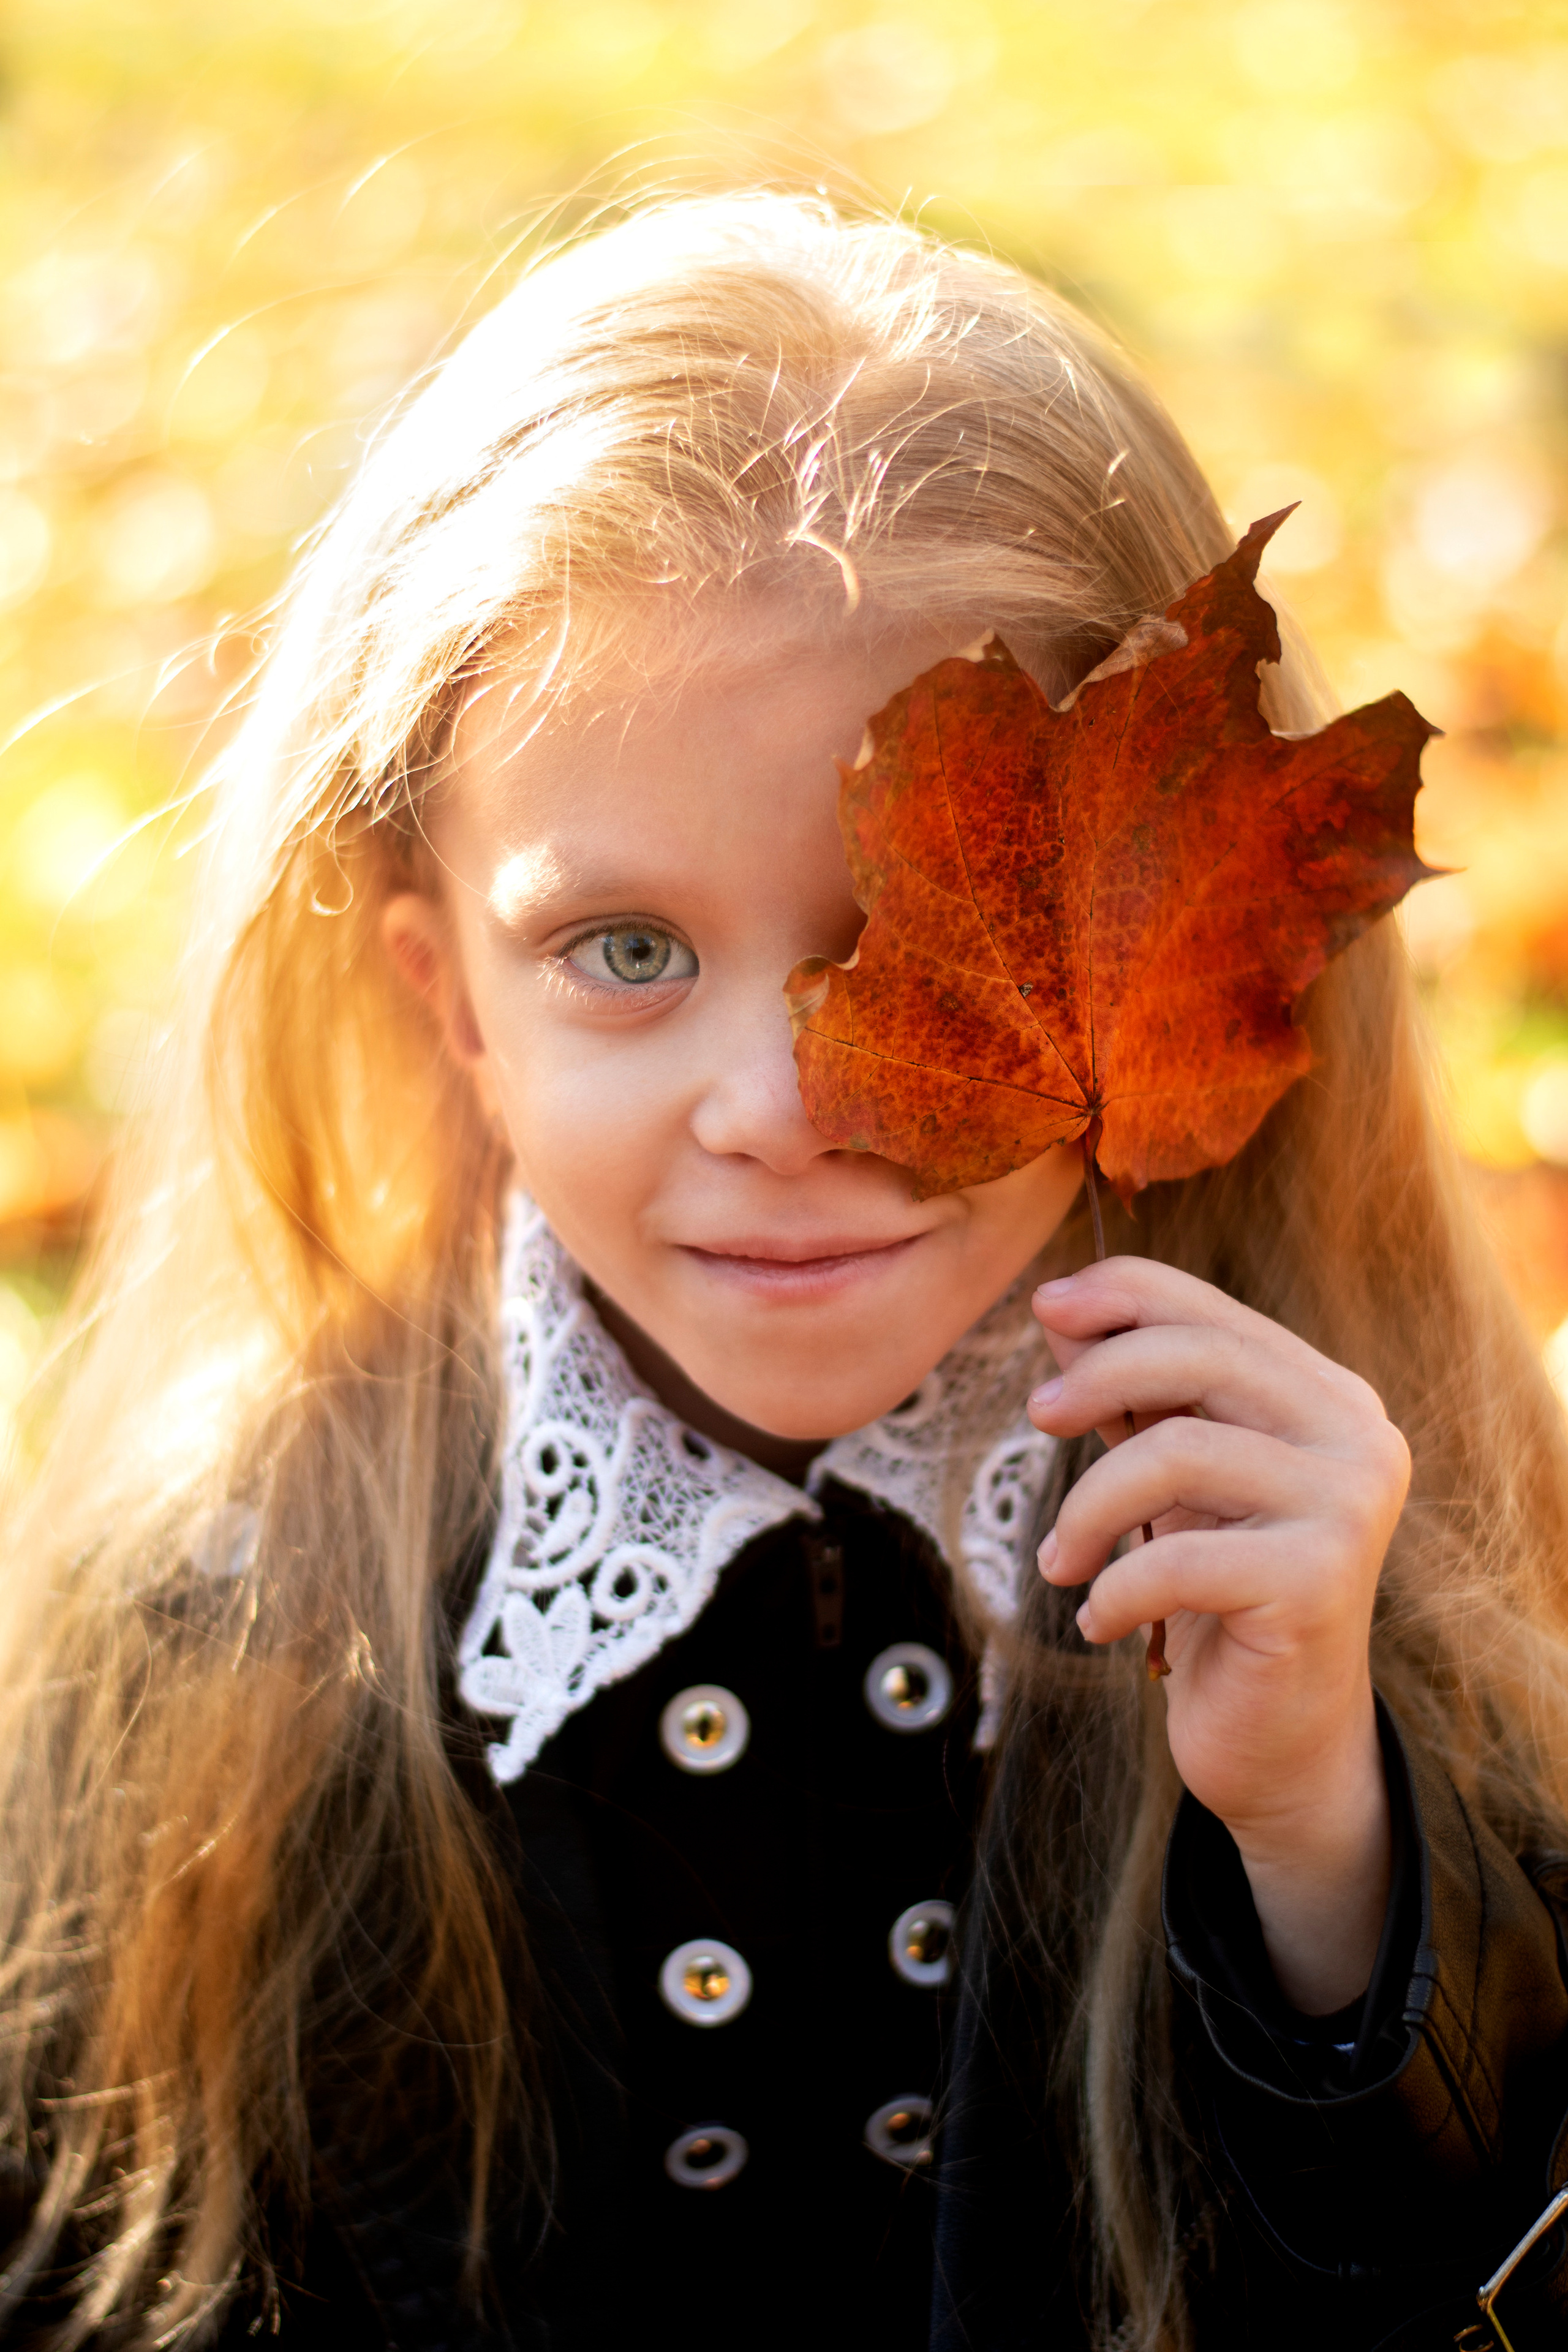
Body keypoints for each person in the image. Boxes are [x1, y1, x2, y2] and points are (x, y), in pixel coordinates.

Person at [4, 192, 1568, 2352]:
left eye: (916, 948)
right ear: (451, 993)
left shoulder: (1343, 1560)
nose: (789, 1104)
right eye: (626, 954)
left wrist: (1323, 1837)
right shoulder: (225, 1628)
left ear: (1177, 950)